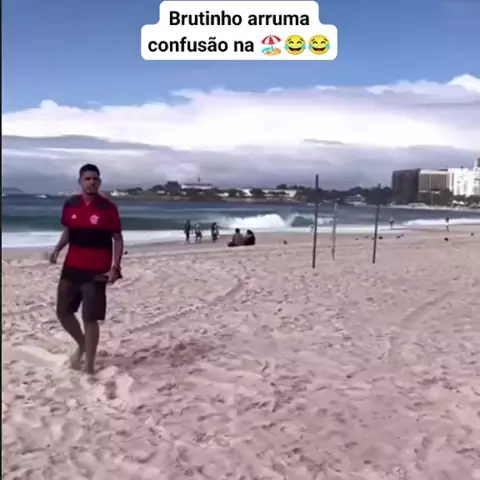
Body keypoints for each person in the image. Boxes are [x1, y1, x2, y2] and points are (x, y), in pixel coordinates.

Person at [48, 164, 123, 375]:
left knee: (90, 318)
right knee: (63, 312)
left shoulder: (108, 208)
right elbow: (68, 232)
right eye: (87, 178)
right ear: (80, 181)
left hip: (96, 272)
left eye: (95, 179)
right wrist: (57, 249)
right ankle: (82, 344)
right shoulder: (71, 204)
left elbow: (117, 238)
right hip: (71, 269)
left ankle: (89, 365)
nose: (91, 182)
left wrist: (115, 267)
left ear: (99, 182)